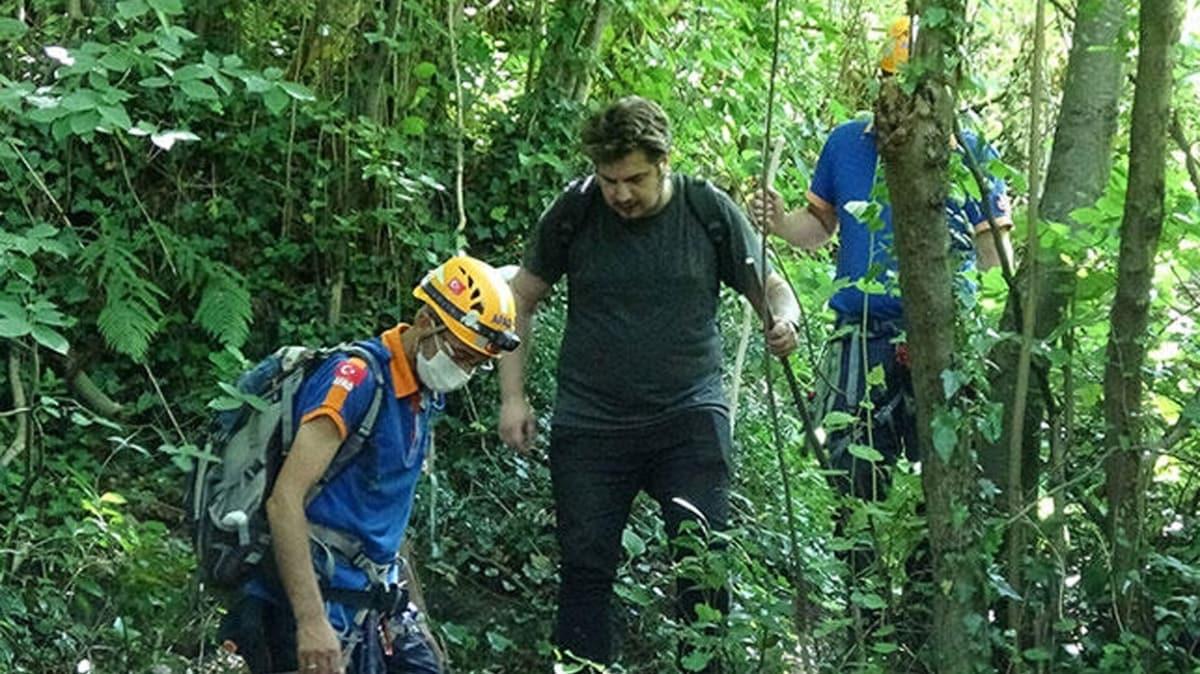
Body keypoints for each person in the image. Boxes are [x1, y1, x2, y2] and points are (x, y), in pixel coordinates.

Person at [498, 95, 801, 669]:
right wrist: (513, 397)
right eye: (608, 179)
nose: (620, 194)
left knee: (703, 572)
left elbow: (775, 289)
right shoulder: (576, 210)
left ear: (664, 161)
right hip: (591, 423)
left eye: (633, 178)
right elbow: (518, 298)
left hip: (688, 419)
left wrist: (783, 322)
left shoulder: (706, 210)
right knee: (584, 572)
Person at [753, 16, 1014, 509]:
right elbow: (819, 225)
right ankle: (859, 573)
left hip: (942, 332)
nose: (907, 97)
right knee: (849, 469)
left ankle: (924, 582)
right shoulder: (847, 143)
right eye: (896, 82)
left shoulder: (972, 152)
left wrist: (983, 260)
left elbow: (995, 259)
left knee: (943, 478)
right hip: (860, 329)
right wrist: (781, 224)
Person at [219, 254, 520, 674]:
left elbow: (392, 520)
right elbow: (284, 501)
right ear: (423, 320)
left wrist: (416, 618)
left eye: (476, 361)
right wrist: (311, 624)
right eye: (460, 353)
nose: (464, 368)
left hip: (372, 605)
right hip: (314, 603)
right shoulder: (356, 379)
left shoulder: (425, 396)